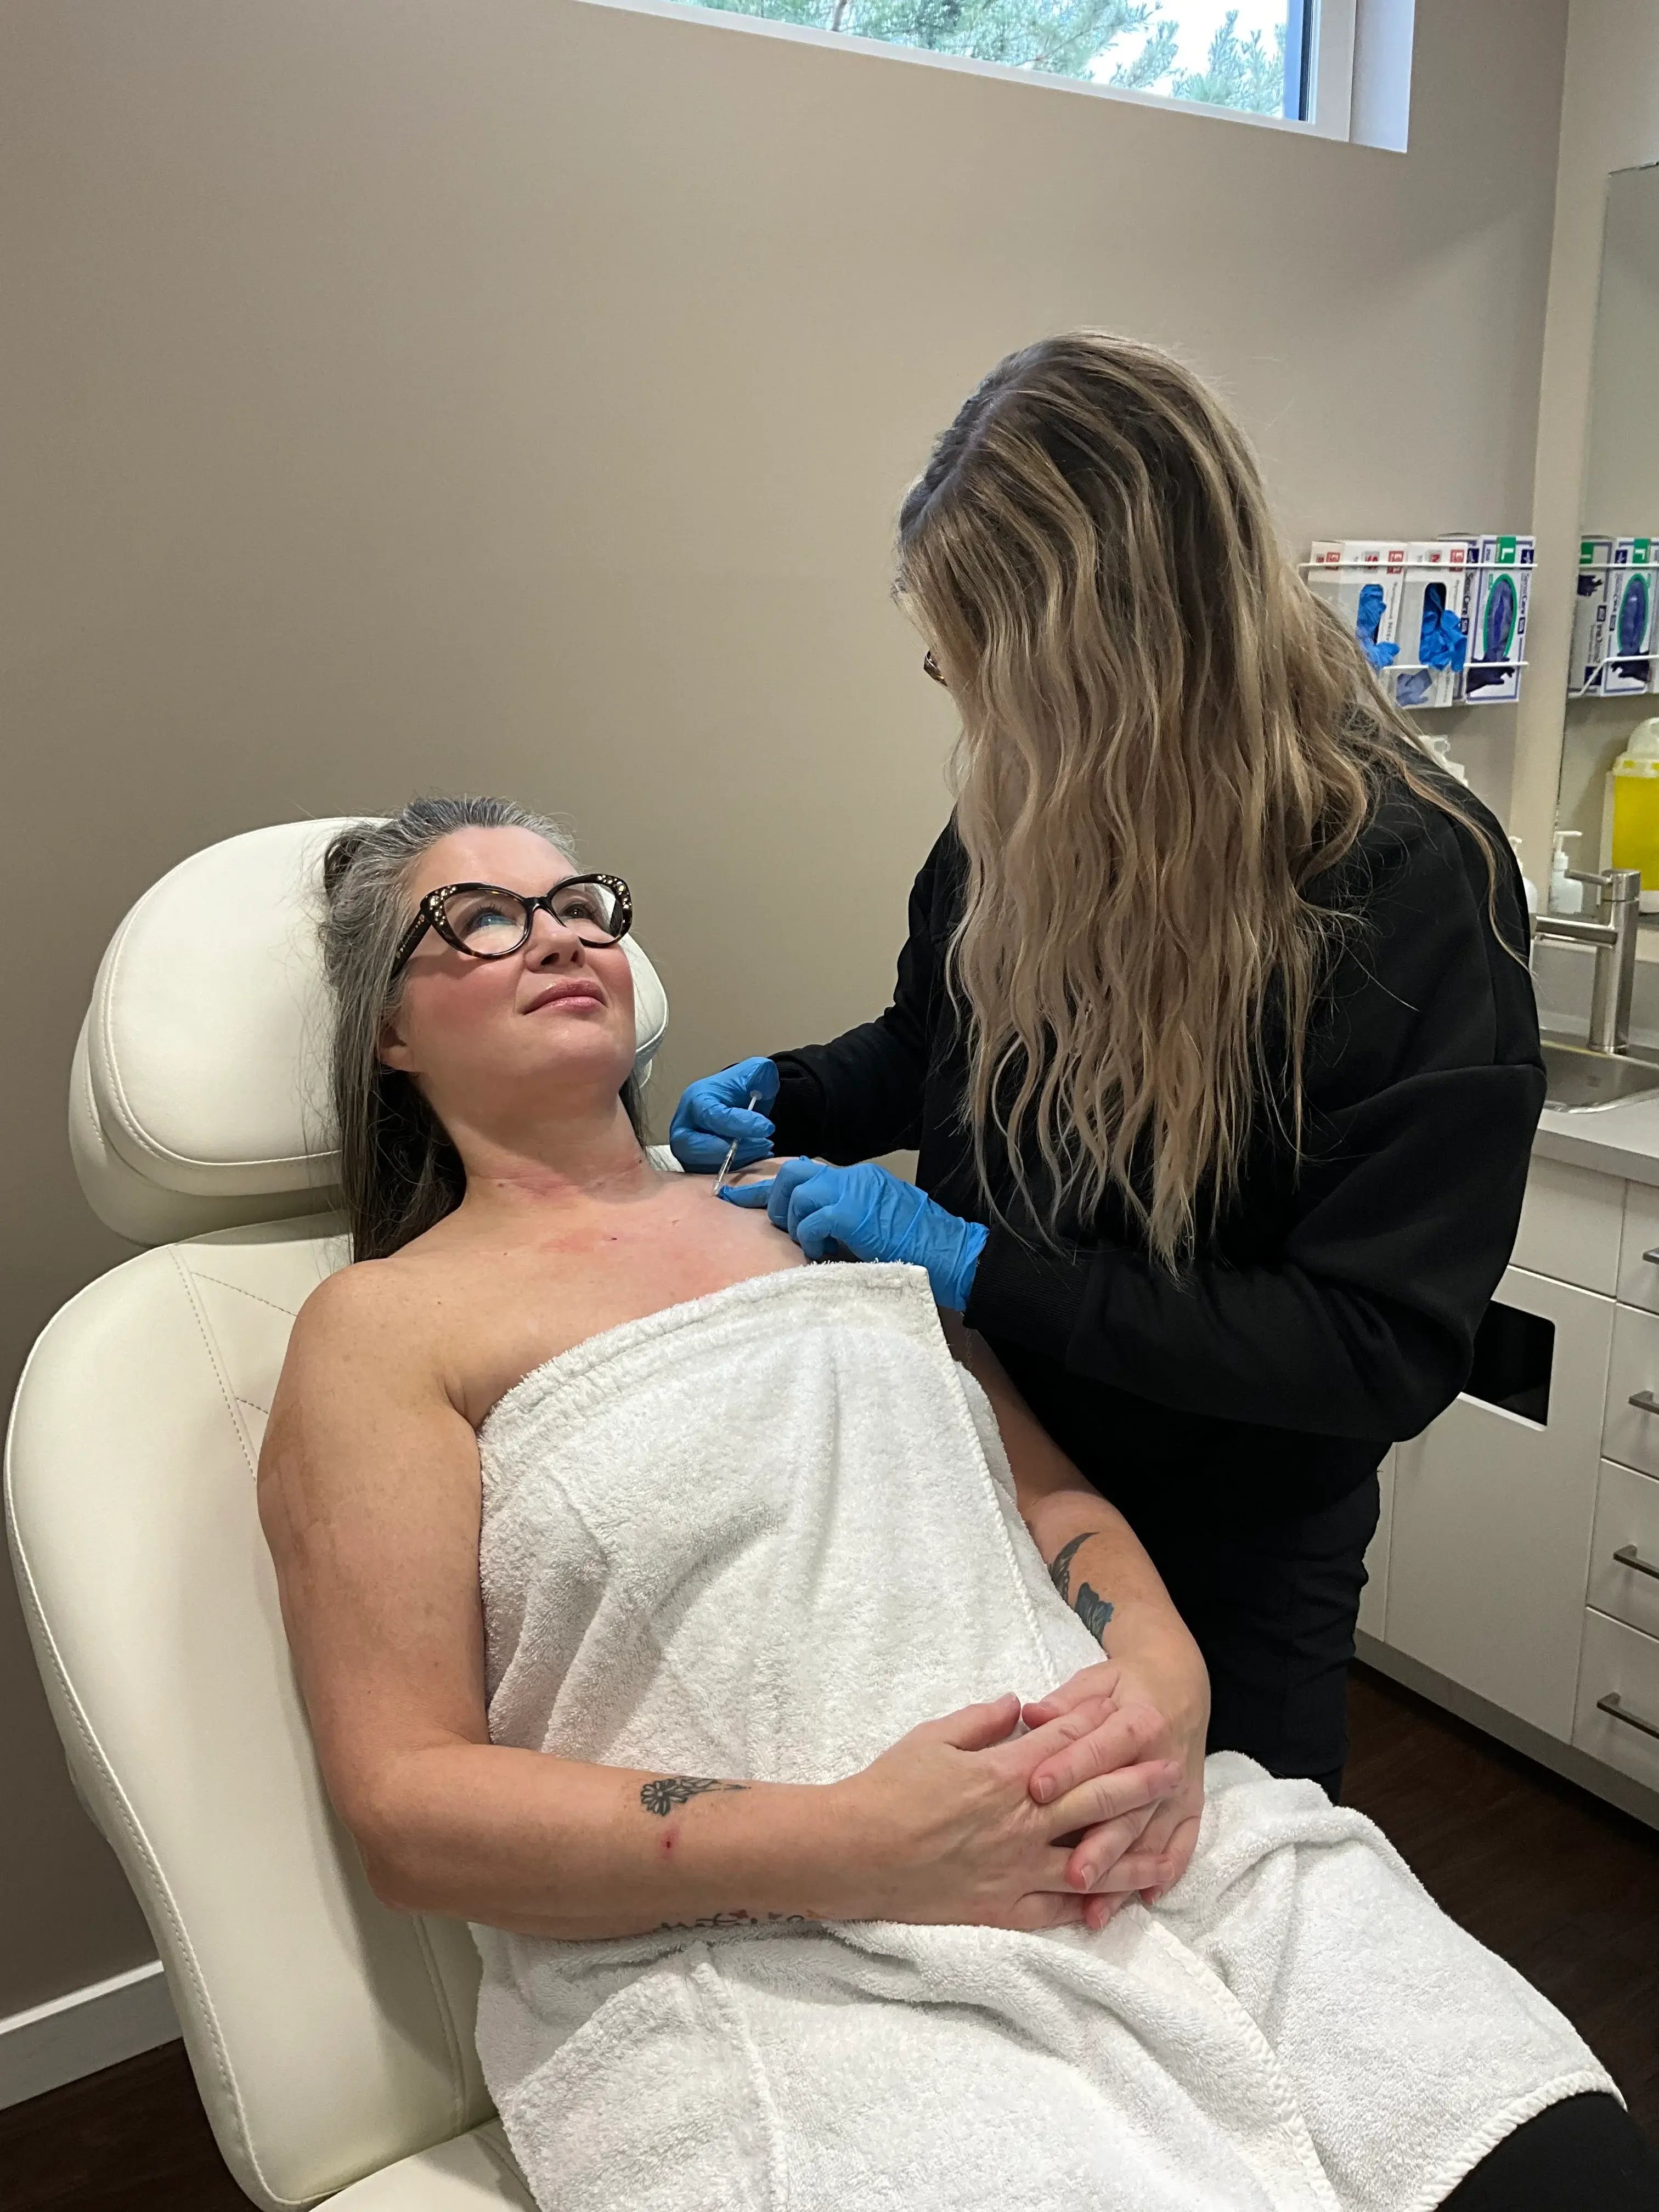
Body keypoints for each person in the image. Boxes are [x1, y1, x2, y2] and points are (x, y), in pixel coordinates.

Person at [258, 797, 1654, 2212]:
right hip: (774, 1949)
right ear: (388, 1029)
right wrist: (858, 1844)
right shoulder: (381, 1330)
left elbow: (1051, 1504)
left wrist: (1163, 1684)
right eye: (484, 919)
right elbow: (407, 1807)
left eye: (580, 907)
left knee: (1548, 2157)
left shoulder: (798, 1213)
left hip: (1143, 1837)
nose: (559, 937)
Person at [673, 331, 1546, 1802]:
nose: (973, 712)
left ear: (1118, 651)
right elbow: (932, 1041)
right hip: (992, 1453)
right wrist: (805, 1089)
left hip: (1234, 1540)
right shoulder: (1024, 810)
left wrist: (981, 1265)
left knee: (1225, 1886)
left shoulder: (1408, 885)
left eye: (992, 668)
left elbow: (1371, 1350)